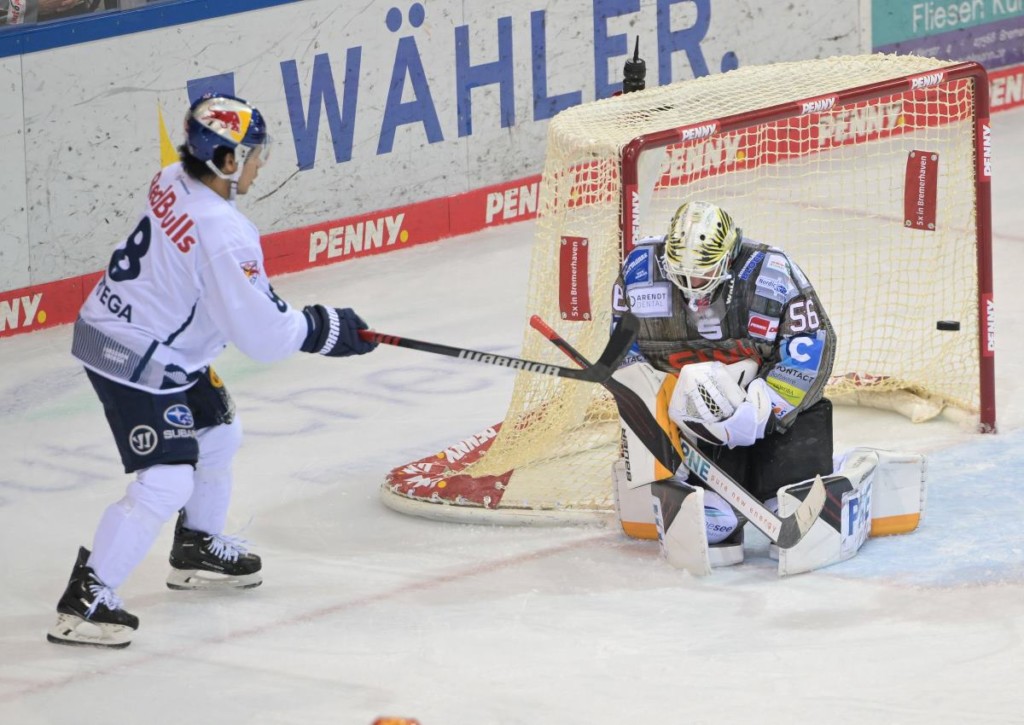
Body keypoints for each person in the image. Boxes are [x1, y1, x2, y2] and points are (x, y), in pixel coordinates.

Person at [47, 93, 377, 649]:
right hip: (129, 353)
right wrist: (323, 329)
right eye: (252, 154)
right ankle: (87, 600)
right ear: (226, 162)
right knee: (167, 477)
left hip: (147, 338)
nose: (258, 164)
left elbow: (214, 287)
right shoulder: (224, 234)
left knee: (220, 432)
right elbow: (264, 338)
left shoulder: (172, 177)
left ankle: (196, 546)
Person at [611, 200, 837, 566]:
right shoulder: (640, 272)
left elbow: (813, 345)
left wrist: (768, 406)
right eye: (680, 273)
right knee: (711, 518)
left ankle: (787, 480)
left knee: (784, 486)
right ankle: (706, 497)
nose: (690, 285)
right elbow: (624, 352)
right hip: (691, 420)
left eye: (702, 273)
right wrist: (655, 412)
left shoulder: (772, 273)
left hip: (761, 407)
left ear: (729, 257)